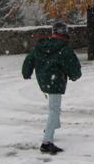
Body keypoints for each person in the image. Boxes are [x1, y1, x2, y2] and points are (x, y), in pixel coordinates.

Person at [22, 22, 82, 154]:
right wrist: (75, 75)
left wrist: (26, 73)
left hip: (44, 80)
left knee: (54, 108)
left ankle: (53, 125)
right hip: (56, 81)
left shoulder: (41, 45)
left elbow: (29, 60)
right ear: (65, 32)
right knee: (54, 110)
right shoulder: (64, 48)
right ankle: (47, 142)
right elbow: (73, 65)